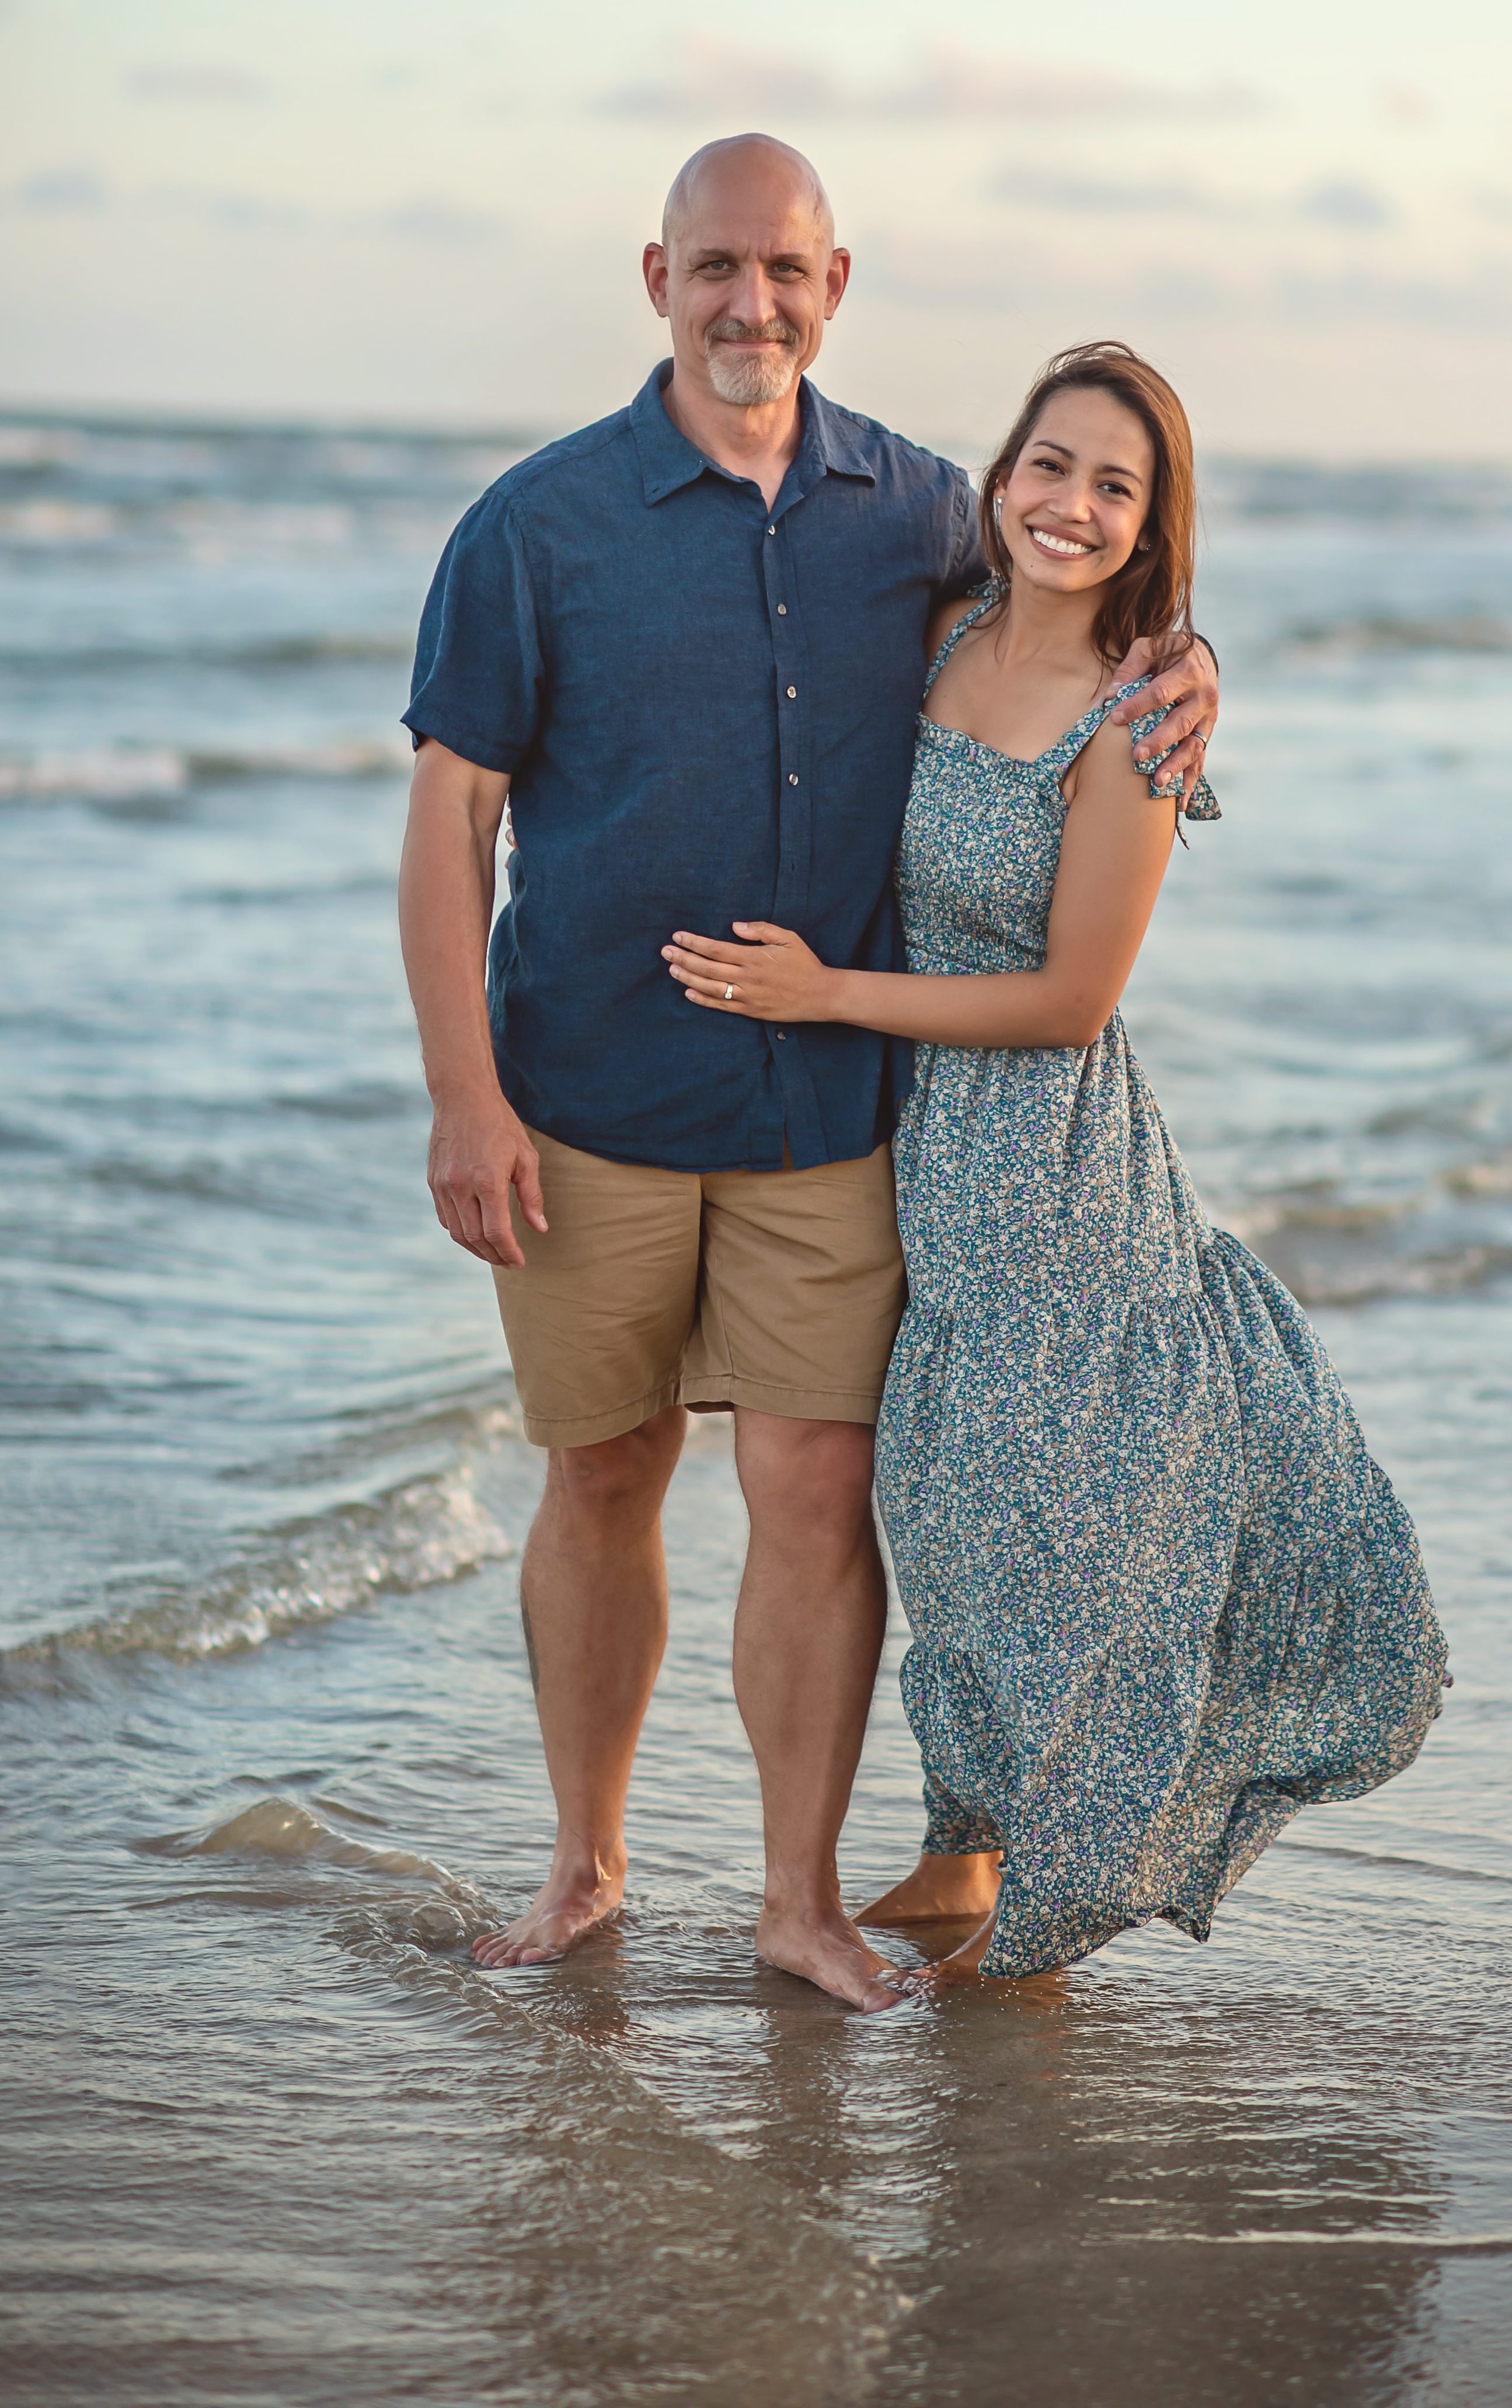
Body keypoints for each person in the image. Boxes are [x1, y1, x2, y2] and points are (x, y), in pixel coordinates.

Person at [396, 140, 1218, 2009]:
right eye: (714, 268)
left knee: (816, 1491)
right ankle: (587, 1866)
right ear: (656, 278)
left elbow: (1075, 631)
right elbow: (449, 822)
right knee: (601, 1476)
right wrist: (463, 1092)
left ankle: (796, 1897)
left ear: (836, 283)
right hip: (584, 1100)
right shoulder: (536, 526)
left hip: (827, 1125)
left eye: (782, 268)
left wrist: (1191, 665)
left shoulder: (928, 512)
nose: (749, 303)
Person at [664, 342, 1447, 1982]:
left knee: (1063, 1537)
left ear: (1155, 523)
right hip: (916, 1152)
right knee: (946, 1513)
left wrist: (823, 994)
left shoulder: (1136, 716)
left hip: (1051, 1169)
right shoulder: (945, 621)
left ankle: (1050, 1911)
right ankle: (966, 1854)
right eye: (1050, 466)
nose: (1071, 506)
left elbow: (1076, 998)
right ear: (998, 475)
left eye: (1116, 485)